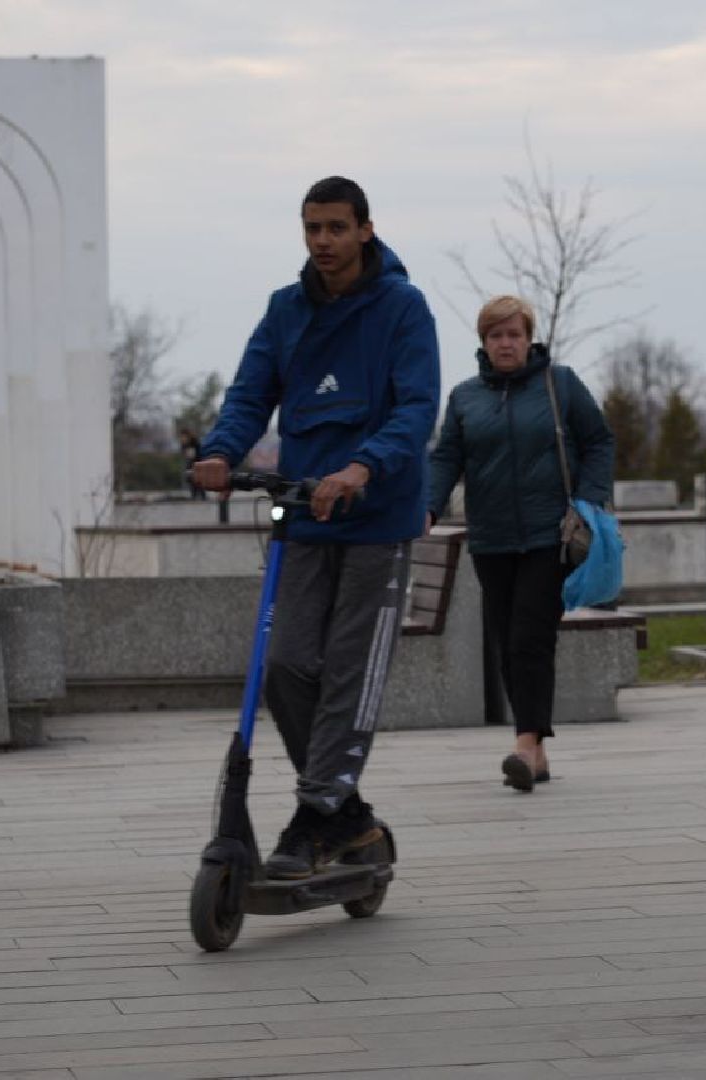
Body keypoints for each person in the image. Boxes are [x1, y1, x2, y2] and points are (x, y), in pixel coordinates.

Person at [191, 176, 439, 880]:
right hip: (304, 516)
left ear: (365, 229)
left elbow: (416, 408)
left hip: (375, 519)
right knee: (285, 668)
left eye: (335, 227)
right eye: (311, 228)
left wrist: (362, 468)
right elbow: (249, 394)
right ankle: (349, 818)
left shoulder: (402, 308)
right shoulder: (285, 311)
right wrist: (217, 451)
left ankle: (313, 817)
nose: (322, 241)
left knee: (348, 676)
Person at [426, 295, 614, 792]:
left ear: (528, 338)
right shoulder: (465, 398)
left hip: (549, 534)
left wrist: (591, 501)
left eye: (513, 334)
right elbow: (447, 458)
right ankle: (537, 751)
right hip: (490, 538)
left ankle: (525, 744)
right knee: (509, 640)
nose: (505, 343)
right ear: (483, 342)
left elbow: (598, 442)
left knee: (530, 636)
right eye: (495, 335)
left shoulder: (560, 385)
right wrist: (427, 506)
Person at [179, 429, 205, 499]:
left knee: (199, 480)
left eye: (184, 437)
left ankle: (202, 495)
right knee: (191, 479)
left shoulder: (194, 442)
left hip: (198, 462)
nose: (182, 438)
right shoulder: (184, 445)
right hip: (190, 463)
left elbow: (198, 453)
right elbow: (185, 454)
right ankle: (194, 495)